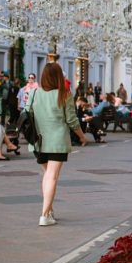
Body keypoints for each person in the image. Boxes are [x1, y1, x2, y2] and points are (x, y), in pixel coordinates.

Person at [29, 63, 86, 226]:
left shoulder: (34, 93)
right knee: (52, 177)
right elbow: (72, 120)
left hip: (38, 141)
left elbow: (27, 112)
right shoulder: (64, 94)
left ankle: (50, 210)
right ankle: (44, 215)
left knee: (47, 175)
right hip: (57, 141)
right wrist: (82, 136)